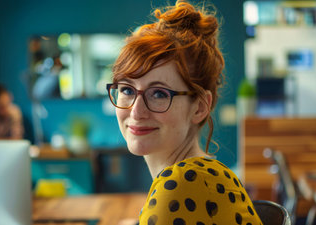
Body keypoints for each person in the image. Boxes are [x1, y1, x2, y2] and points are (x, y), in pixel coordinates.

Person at [107, 1, 263, 224]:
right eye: (126, 89)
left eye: (159, 94)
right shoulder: (206, 174)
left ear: (199, 107)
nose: (136, 111)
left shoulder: (181, 184)